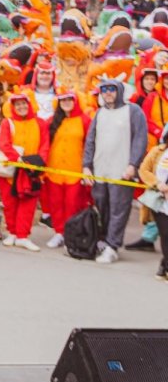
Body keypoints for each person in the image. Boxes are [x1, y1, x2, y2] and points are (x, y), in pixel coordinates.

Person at [83, 77, 149, 263]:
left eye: (112, 89)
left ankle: (113, 245)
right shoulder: (100, 112)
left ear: (119, 90)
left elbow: (140, 139)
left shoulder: (133, 111)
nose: (108, 93)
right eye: (104, 90)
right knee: (102, 207)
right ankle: (104, 240)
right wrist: (86, 165)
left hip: (122, 172)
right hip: (100, 171)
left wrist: (133, 164)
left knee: (119, 210)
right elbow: (90, 140)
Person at [0, 93, 49, 251]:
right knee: (9, 202)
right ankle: (12, 232)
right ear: (13, 107)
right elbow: (3, 144)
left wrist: (38, 164)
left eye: (23, 103)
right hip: (11, 169)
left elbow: (45, 145)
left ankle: (22, 236)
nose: (21, 107)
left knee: (28, 203)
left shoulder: (40, 123)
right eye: (17, 104)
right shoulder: (7, 122)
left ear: (29, 104)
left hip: (31, 170)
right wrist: (17, 158)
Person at [44, 92, 91, 248]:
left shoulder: (85, 120)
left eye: (69, 99)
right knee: (56, 203)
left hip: (75, 171)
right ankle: (59, 232)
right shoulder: (52, 120)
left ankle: (71, 235)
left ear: (75, 101)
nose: (66, 102)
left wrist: (88, 168)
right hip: (54, 170)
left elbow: (90, 145)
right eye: (62, 100)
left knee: (73, 204)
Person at [137, 125, 168, 279]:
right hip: (159, 202)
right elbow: (143, 170)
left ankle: (164, 265)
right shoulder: (158, 151)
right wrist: (158, 184)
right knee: (166, 234)